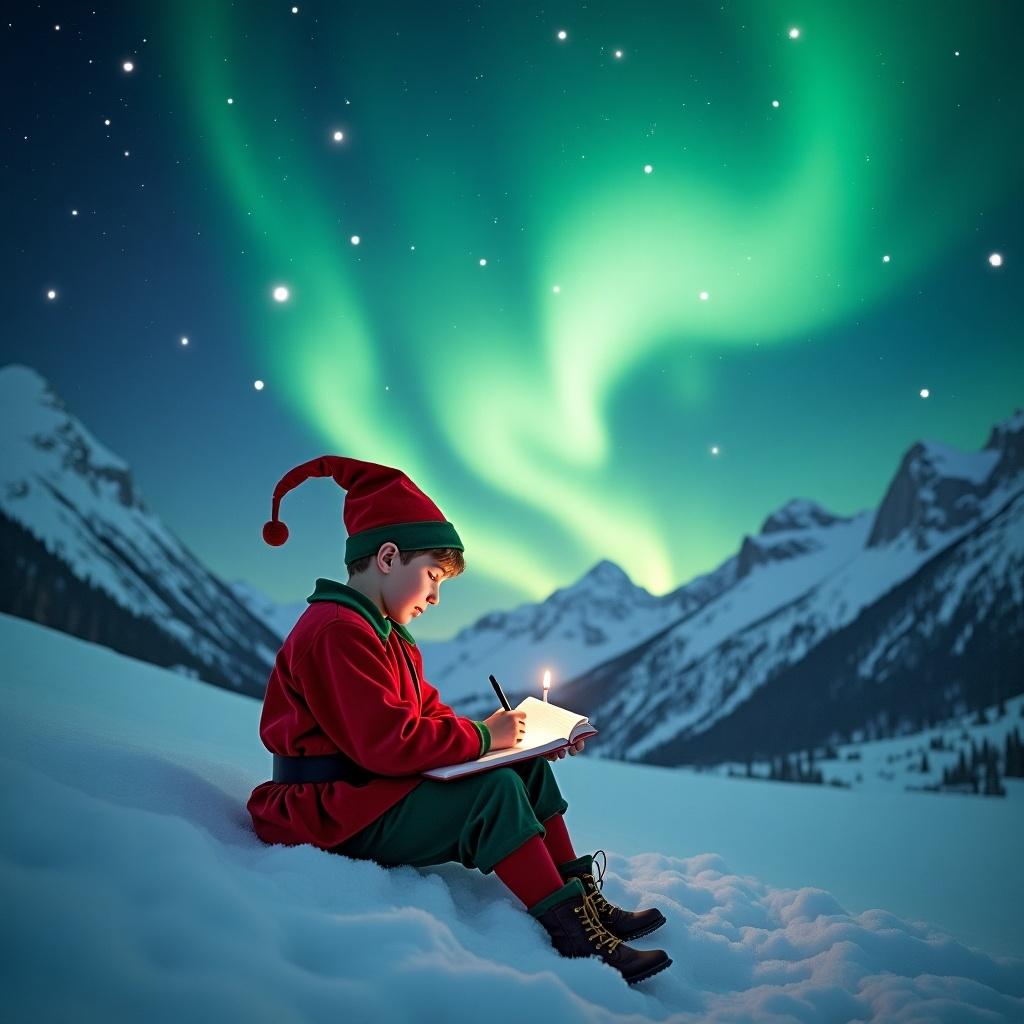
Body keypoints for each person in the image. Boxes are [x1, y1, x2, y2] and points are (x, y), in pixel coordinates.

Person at [247, 455, 672, 985]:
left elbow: (428, 718)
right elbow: (388, 743)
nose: (434, 596)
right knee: (489, 795)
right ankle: (575, 934)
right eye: (431, 576)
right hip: (333, 809)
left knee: (525, 774)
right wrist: (480, 738)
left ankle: (581, 897)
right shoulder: (338, 632)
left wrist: (515, 744)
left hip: (371, 790)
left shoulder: (385, 634)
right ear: (386, 557)